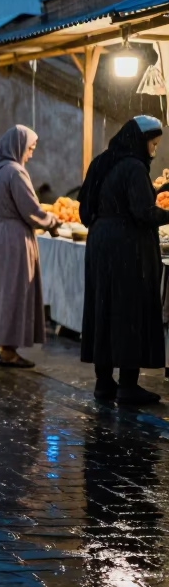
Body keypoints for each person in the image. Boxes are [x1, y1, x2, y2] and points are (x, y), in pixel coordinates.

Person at [79, 116, 169, 405]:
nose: (153, 150)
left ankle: (104, 383)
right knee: (130, 309)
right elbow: (144, 212)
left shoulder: (101, 162)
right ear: (139, 140)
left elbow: (84, 211)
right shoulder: (133, 166)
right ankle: (128, 385)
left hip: (100, 243)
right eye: (152, 144)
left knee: (104, 308)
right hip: (127, 248)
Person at [0, 126, 59, 369]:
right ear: (18, 146)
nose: (30, 154)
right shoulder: (15, 172)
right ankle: (8, 351)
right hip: (12, 239)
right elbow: (31, 210)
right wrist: (52, 221)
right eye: (29, 149)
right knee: (11, 292)